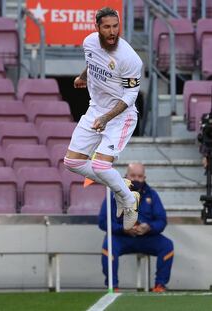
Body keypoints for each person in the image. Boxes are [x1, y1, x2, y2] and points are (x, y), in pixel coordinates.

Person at [63, 7, 143, 230]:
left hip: (121, 116)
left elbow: (130, 96)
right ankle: (122, 186)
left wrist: (107, 117)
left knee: (100, 166)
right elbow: (92, 61)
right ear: (97, 27)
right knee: (72, 162)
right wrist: (82, 76)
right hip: (95, 110)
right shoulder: (89, 42)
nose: (112, 32)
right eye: (107, 27)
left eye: (115, 26)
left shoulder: (130, 60)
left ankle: (128, 199)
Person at [98, 162, 174, 292]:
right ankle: (113, 286)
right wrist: (123, 228)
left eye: (139, 176)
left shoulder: (152, 195)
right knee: (108, 246)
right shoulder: (113, 194)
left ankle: (159, 285)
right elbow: (103, 221)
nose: (136, 179)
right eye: (133, 175)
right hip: (121, 238)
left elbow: (162, 220)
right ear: (126, 176)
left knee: (167, 246)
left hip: (146, 238)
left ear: (144, 178)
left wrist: (149, 227)